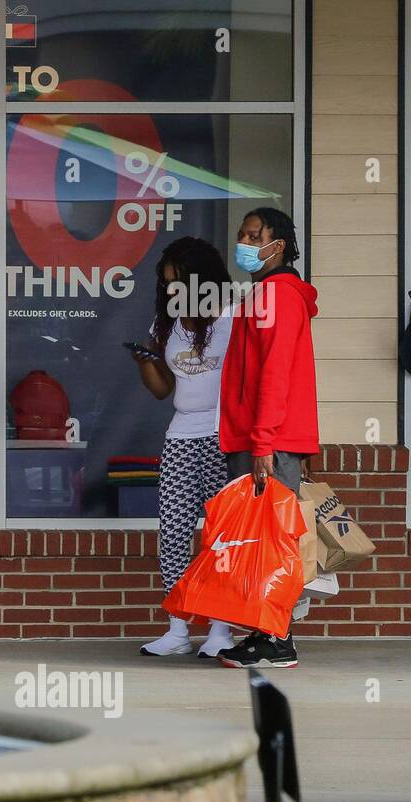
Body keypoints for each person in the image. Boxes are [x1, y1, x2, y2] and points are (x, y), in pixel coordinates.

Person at [215, 207, 319, 669]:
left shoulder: (277, 296)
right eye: (242, 234)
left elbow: (274, 376)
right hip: (260, 438)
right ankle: (263, 633)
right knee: (257, 541)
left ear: (278, 245)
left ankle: (278, 639)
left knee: (272, 542)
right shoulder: (265, 293)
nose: (245, 242)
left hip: (267, 442)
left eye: (255, 235)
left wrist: (262, 445)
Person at [132, 237, 237, 658]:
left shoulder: (233, 316)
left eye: (179, 283)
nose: (172, 292)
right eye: (167, 285)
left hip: (222, 435)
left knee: (222, 535)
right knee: (173, 531)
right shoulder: (167, 324)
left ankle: (221, 628)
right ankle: (178, 628)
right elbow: (163, 390)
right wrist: (146, 364)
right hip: (181, 434)